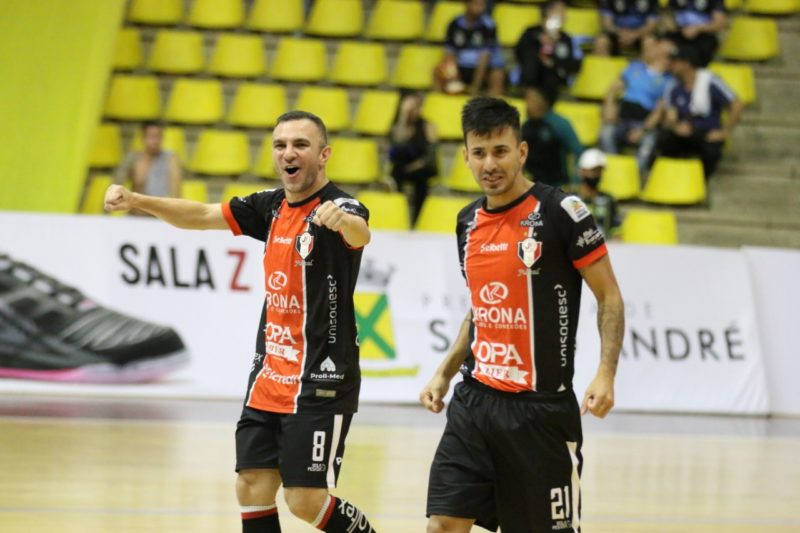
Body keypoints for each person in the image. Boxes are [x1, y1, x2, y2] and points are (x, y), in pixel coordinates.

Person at [104, 111, 377, 533]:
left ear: (324, 155)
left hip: (321, 377)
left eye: (300, 145)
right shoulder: (269, 206)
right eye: (280, 145)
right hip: (269, 373)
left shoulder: (341, 206)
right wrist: (139, 201)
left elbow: (360, 233)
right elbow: (198, 215)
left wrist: (342, 222)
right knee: (251, 485)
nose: (289, 153)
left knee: (305, 500)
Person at [420, 96, 624, 533]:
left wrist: (606, 373)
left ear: (522, 151)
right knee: (443, 525)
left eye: (500, 151)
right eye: (479, 153)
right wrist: (446, 371)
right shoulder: (466, 222)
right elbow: (480, 307)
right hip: (474, 403)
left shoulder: (561, 211)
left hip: (541, 411)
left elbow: (609, 296)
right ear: (466, 157)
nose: (489, 163)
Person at [659, 45, 743, 178]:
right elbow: (671, 116)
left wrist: (724, 132)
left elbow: (736, 104)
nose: (670, 65)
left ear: (686, 64)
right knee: (664, 139)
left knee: (712, 150)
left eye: (674, 62)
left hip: (706, 133)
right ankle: (671, 178)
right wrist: (676, 127)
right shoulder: (673, 86)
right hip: (684, 133)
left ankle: (702, 180)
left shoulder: (710, 81)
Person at [600, 34, 672, 176]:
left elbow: (660, 110)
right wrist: (609, 107)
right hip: (623, 117)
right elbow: (612, 90)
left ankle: (634, 176)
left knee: (649, 142)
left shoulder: (668, 80)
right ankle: (612, 171)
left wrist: (643, 130)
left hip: (644, 121)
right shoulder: (634, 68)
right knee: (606, 133)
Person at [514, 0, 580, 103]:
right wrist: (538, 40)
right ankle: (530, 95)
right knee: (531, 56)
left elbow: (570, 64)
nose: (564, 15)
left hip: (553, 78)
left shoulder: (565, 39)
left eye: (564, 11)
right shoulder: (531, 32)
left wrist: (553, 63)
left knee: (551, 75)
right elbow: (519, 52)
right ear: (548, 13)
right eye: (560, 11)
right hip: (532, 77)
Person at [388, 92, 438, 225]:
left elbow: (430, 154)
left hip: (422, 166)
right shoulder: (399, 125)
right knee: (397, 171)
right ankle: (397, 214)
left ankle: (417, 219)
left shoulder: (427, 126)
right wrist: (403, 117)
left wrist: (414, 166)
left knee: (421, 181)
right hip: (403, 166)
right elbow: (396, 144)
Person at [436, 0, 505, 96]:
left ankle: (493, 107)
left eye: (482, 4)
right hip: (461, 66)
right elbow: (450, 53)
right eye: (477, 4)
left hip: (483, 68)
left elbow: (485, 57)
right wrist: (453, 76)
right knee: (438, 71)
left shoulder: (489, 25)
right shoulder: (454, 24)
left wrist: (475, 85)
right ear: (467, 4)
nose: (481, 8)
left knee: (497, 75)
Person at [521, 86, 584, 188]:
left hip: (558, 185)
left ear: (541, 103)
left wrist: (576, 182)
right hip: (533, 184)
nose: (527, 105)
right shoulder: (526, 126)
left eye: (530, 101)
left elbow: (577, 151)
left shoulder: (559, 124)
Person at [114, 121, 182, 205]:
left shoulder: (170, 159)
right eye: (151, 137)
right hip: (136, 213)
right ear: (143, 138)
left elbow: (176, 192)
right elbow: (117, 184)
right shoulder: (133, 159)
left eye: (158, 136)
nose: (155, 141)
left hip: (159, 213)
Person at [664, 0, 727, 67]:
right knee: (662, 46)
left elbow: (719, 24)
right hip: (678, 33)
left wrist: (697, 28)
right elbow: (667, 13)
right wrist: (669, 22)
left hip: (704, 36)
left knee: (685, 55)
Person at [577, 148, 622, 239]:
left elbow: (618, 233)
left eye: (599, 171)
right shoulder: (569, 199)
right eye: (592, 171)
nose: (596, 175)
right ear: (582, 171)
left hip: (604, 249)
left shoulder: (609, 200)